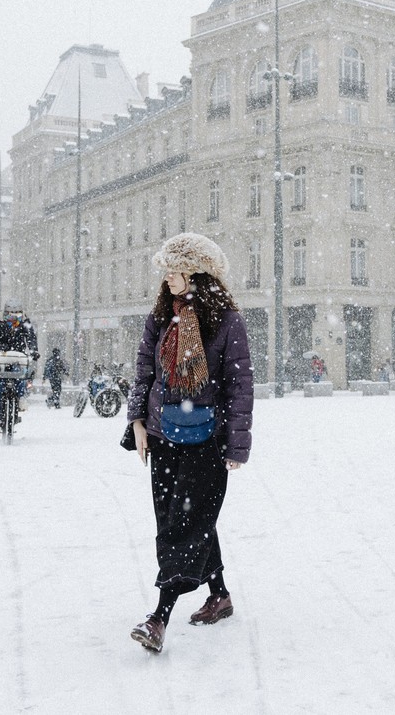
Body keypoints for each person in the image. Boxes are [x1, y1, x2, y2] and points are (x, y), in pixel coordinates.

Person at [125, 233, 253, 654]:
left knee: (185, 524)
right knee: (180, 519)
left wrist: (237, 445)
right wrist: (137, 422)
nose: (168, 277)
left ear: (197, 273)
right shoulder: (161, 316)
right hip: (162, 435)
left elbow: (239, 384)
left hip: (207, 441)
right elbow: (144, 368)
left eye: (175, 269)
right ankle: (219, 595)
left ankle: (159, 616)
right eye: (166, 269)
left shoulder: (227, 321)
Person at [0, 299, 39, 437]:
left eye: (17, 314)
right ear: (5, 312)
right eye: (11, 314)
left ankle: (21, 398)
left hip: (18, 357)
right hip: (1, 357)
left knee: (21, 378)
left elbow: (31, 338)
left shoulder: (25, 321)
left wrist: (33, 351)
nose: (14, 317)